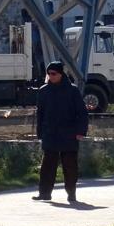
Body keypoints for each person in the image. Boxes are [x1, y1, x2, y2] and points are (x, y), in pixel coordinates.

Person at [33, 60, 88, 204]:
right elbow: (40, 114)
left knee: (70, 166)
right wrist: (40, 133)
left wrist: (81, 131)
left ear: (61, 74)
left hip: (69, 134)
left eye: (54, 73)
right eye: (49, 74)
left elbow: (82, 113)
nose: (51, 76)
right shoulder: (44, 91)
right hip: (50, 134)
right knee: (47, 166)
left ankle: (71, 194)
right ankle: (44, 193)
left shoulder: (72, 90)